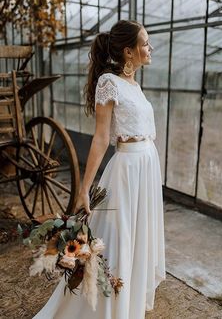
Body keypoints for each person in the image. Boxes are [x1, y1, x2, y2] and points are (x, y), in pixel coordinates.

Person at [33, 20, 166, 319]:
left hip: (146, 169)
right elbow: (102, 137)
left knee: (138, 241)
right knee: (118, 244)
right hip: (126, 172)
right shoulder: (109, 82)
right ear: (128, 51)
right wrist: (83, 189)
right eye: (145, 43)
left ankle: (128, 308)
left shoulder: (133, 84)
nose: (150, 47)